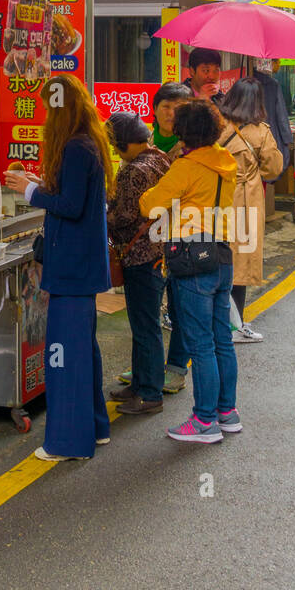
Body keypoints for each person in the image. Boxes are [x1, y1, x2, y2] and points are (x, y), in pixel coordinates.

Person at [4, 74, 115, 461]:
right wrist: (41, 185)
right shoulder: (88, 144)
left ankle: (68, 442)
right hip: (82, 268)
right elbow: (75, 196)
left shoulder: (74, 148)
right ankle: (96, 427)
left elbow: (70, 205)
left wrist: (30, 190)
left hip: (71, 269)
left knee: (64, 355)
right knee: (84, 351)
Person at [139, 100, 239, 444]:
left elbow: (149, 204)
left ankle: (204, 421)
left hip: (191, 257)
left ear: (183, 132)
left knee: (200, 345)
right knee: (222, 340)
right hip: (222, 253)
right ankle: (227, 412)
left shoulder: (186, 167)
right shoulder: (227, 163)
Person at [105, 113, 171, 416]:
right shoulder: (160, 159)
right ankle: (141, 384)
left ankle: (150, 393)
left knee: (145, 328)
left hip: (140, 256)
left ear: (125, 143)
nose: (117, 152)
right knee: (145, 325)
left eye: (117, 146)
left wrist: (101, 217)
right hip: (159, 252)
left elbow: (124, 217)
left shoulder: (134, 171)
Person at [216, 79, 283, 344]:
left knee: (217, 256)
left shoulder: (217, 126)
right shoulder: (261, 132)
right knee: (239, 263)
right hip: (244, 200)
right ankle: (235, 325)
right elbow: (273, 169)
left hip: (216, 197)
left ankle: (220, 320)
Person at [254, 59, 294, 174]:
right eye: (277, 62)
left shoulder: (243, 83)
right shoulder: (272, 84)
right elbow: (281, 115)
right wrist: (287, 139)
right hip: (268, 136)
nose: (279, 65)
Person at [151, 82, 194, 159]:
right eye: (166, 106)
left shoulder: (194, 148)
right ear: (155, 109)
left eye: (178, 108)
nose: (171, 113)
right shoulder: (140, 144)